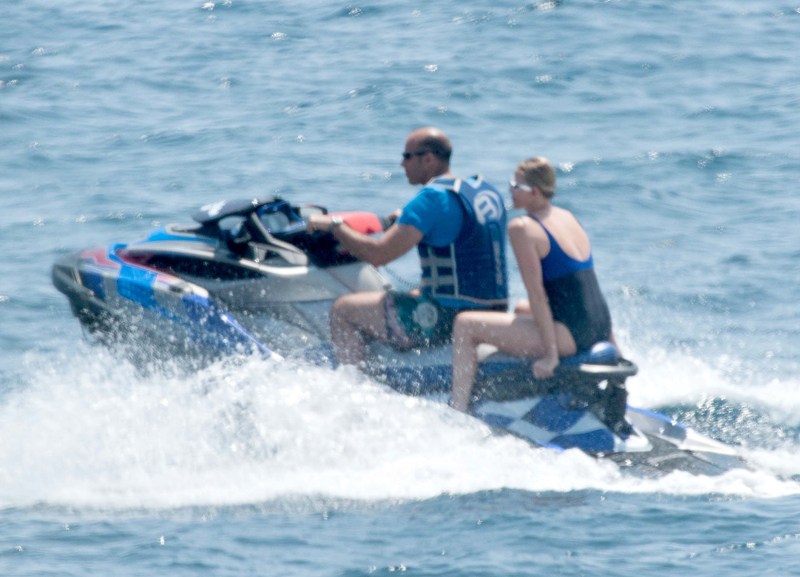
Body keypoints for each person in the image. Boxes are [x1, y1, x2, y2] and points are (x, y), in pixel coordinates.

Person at [306, 127, 509, 366]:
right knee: (409, 294)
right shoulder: (482, 192)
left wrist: (335, 226)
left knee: (344, 310)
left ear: (428, 159)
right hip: (493, 311)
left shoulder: (431, 199)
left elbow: (378, 254)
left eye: (407, 156)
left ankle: (351, 380)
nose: (402, 164)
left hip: (448, 318)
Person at [450, 156, 613, 412]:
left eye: (516, 186)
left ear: (534, 192)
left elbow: (538, 295)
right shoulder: (567, 216)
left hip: (569, 336)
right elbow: (586, 285)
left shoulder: (523, 228)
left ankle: (458, 408)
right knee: (520, 309)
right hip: (598, 324)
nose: (510, 190)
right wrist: (613, 341)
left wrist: (551, 356)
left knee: (465, 324)